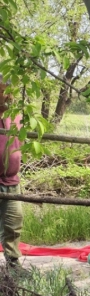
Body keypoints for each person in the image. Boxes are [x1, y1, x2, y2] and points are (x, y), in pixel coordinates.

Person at [0, 75, 23, 269]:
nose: (5, 95)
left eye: (7, 91)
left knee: (14, 223)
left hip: (12, 181)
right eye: (1, 91)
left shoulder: (16, 115)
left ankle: (13, 265)